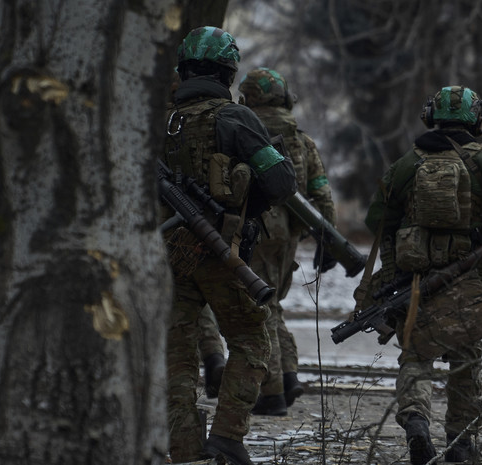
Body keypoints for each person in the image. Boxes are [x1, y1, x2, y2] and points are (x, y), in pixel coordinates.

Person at [361, 85, 482, 464]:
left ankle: (417, 421)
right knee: (466, 359)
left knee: (415, 356)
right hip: (466, 276)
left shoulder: (408, 163)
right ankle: (461, 442)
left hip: (413, 280)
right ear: (477, 120)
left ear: (430, 117)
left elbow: (376, 219)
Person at [161, 26, 297, 465]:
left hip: (167, 256)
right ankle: (227, 436)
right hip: (223, 253)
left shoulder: (161, 122)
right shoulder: (235, 118)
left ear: (182, 70)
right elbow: (280, 182)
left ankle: (182, 447)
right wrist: (240, 211)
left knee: (176, 355)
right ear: (228, 71)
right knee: (254, 342)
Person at [237, 67, 337, 416]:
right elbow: (321, 192)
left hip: (257, 226)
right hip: (292, 231)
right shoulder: (301, 138)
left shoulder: (243, 128)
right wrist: (329, 239)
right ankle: (289, 375)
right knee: (273, 302)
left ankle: (272, 392)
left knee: (260, 307)